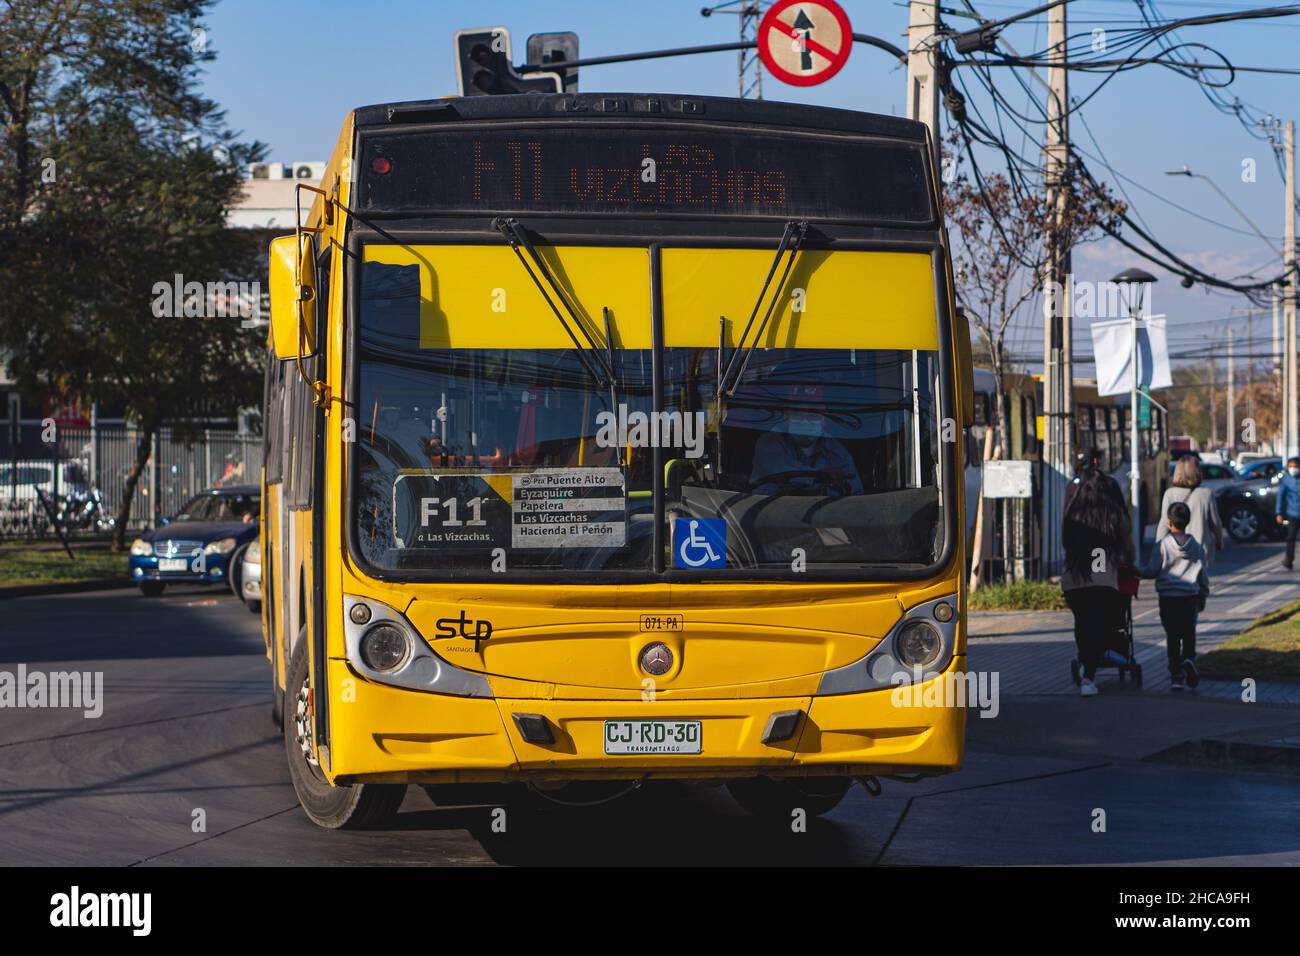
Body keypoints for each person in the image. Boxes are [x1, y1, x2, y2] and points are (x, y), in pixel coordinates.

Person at [1062, 469, 1134, 697]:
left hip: (1075, 581)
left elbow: (1067, 546)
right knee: (1100, 625)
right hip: (1103, 580)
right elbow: (1126, 549)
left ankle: (1085, 662)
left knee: (1083, 624)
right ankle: (1089, 674)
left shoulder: (1073, 517)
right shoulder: (1113, 519)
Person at [749, 382, 863, 497]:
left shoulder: (837, 452)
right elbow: (782, 472)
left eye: (813, 413)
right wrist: (823, 477)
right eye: (798, 413)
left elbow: (855, 495)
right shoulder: (769, 442)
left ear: (824, 418)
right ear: (786, 415)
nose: (805, 420)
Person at [1141, 500, 1209, 691]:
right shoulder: (1196, 546)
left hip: (1168, 598)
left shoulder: (1162, 545)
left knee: (1172, 636)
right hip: (1190, 597)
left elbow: (1152, 570)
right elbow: (1203, 574)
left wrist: (1136, 571)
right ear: (1187, 521)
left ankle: (1176, 675)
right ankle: (1188, 659)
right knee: (1189, 633)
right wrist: (1203, 594)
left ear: (1169, 523)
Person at [1156, 456, 1224, 569]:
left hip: (1176, 549)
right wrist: (1219, 540)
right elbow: (1215, 522)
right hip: (1200, 550)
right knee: (1200, 583)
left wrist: (1158, 547)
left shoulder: (1170, 493)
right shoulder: (1206, 493)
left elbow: (1164, 523)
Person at [1276, 456, 1300, 569]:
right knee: (1291, 537)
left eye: (1295, 466)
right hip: (1293, 513)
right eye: (1290, 466)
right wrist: (1279, 513)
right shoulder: (1286, 480)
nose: (1293, 469)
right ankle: (1288, 560)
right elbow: (1280, 496)